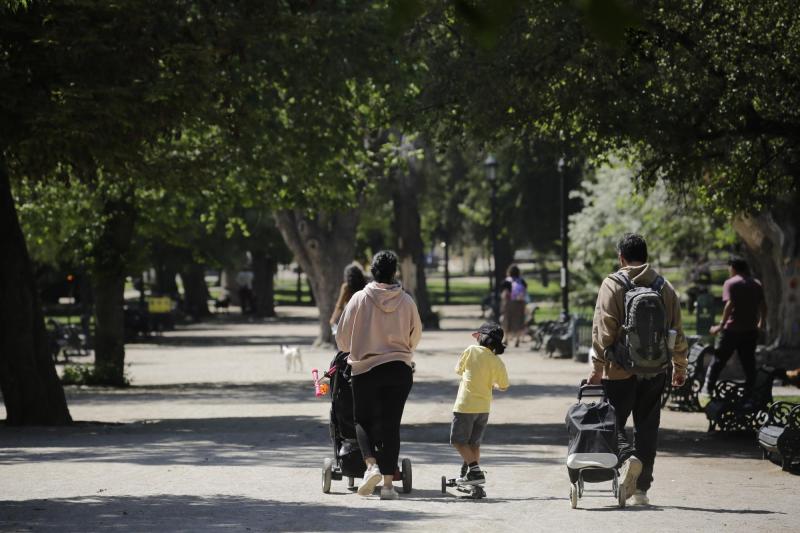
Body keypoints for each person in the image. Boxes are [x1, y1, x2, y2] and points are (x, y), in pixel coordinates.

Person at [587, 233, 688, 506]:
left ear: (621, 257)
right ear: (646, 256)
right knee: (647, 427)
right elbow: (677, 331)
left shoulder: (612, 284)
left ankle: (626, 458)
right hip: (656, 370)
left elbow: (602, 331)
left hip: (618, 369)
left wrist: (597, 368)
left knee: (613, 422)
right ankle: (641, 490)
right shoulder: (664, 287)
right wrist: (680, 366)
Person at [336, 250, 422, 500]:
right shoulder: (406, 301)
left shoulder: (359, 299)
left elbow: (342, 340)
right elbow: (415, 336)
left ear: (372, 271)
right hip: (398, 369)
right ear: (394, 272)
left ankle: (370, 465)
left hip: (366, 370)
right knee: (391, 425)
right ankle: (387, 486)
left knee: (362, 419)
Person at [450, 321, 509, 485]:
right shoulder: (497, 361)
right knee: (474, 444)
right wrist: (493, 384)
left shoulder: (471, 350)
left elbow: (458, 370)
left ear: (482, 337)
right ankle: (471, 475)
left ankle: (475, 472)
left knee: (458, 441)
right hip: (483, 408)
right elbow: (503, 386)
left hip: (465, 405)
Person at [703, 257, 767, 397]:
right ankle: (751, 392)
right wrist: (761, 322)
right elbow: (763, 305)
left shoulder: (731, 283)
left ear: (733, 268)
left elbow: (729, 305)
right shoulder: (756, 284)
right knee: (749, 363)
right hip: (750, 330)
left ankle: (708, 388)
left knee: (719, 360)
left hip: (732, 330)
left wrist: (720, 326)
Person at [329, 263, 367, 336]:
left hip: (350, 319)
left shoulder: (346, 287)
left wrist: (333, 319)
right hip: (364, 319)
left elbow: (339, 306)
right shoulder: (365, 287)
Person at [501, 264, 527, 347]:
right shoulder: (522, 281)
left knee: (507, 320)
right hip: (520, 303)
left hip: (509, 303)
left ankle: (506, 339)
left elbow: (505, 293)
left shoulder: (507, 281)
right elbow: (525, 292)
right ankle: (517, 340)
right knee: (519, 321)